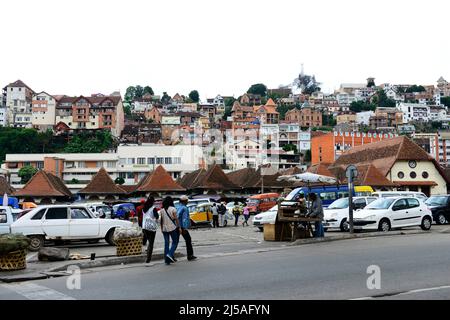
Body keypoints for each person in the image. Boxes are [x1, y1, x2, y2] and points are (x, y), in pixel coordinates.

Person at [160, 196, 181, 265]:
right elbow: (176, 219)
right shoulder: (173, 209)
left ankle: (167, 260)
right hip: (172, 227)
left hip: (164, 228)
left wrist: (161, 228)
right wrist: (179, 227)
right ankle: (170, 254)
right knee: (175, 242)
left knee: (166, 243)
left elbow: (161, 220)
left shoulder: (162, 210)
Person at [177, 195, 197, 261]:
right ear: (185, 201)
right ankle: (190, 255)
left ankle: (170, 254)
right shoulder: (184, 208)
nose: (188, 202)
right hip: (182, 227)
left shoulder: (178, 207)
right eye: (187, 200)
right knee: (188, 240)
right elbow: (184, 219)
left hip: (177, 226)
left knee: (175, 241)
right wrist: (185, 228)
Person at [142, 196, 159, 264]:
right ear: (152, 202)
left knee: (149, 242)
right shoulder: (153, 208)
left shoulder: (144, 208)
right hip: (151, 228)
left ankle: (148, 257)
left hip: (144, 227)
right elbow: (157, 216)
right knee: (151, 244)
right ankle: (148, 259)